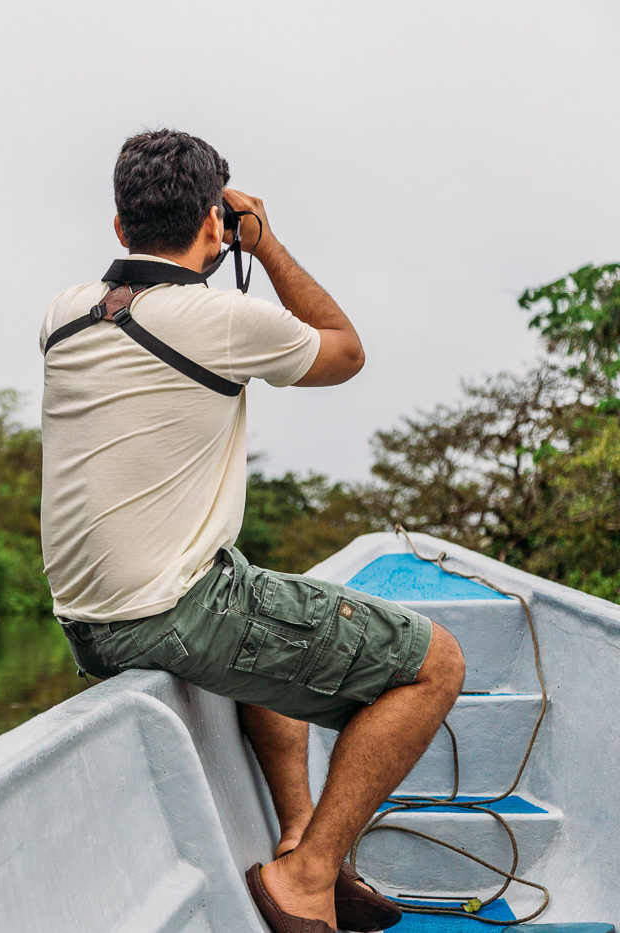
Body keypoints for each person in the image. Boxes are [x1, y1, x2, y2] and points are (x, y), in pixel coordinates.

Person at [39, 128, 466, 933]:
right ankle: (306, 877)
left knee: (255, 587)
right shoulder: (221, 317)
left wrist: (203, 242)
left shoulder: (63, 315)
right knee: (435, 664)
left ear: (121, 227)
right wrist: (264, 245)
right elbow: (346, 352)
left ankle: (303, 828)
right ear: (213, 222)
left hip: (88, 625)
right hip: (168, 614)